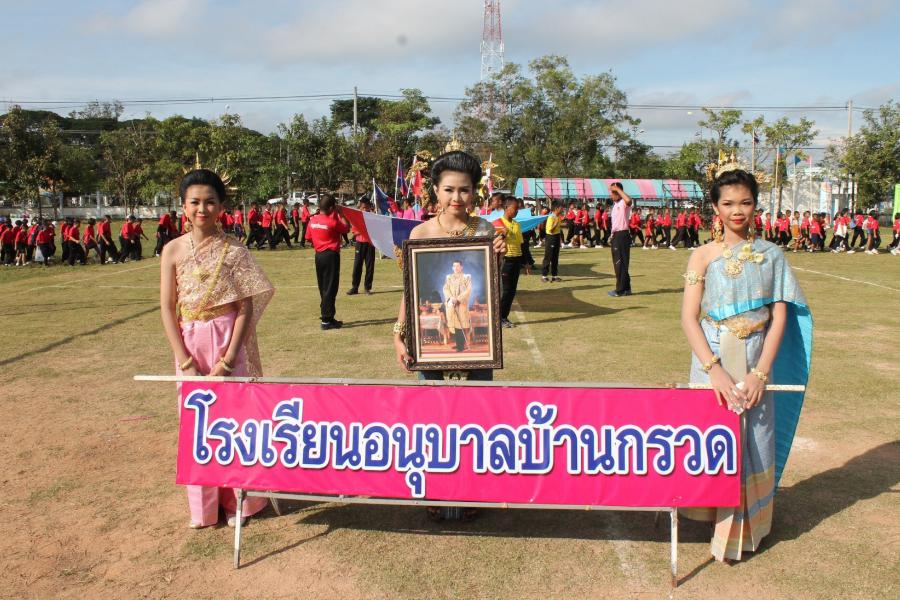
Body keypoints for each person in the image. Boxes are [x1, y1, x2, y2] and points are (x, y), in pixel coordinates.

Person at [680, 168, 812, 562]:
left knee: (755, 434)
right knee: (714, 435)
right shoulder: (702, 255)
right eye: (728, 203)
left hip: (756, 357)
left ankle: (747, 525)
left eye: (745, 202)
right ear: (715, 208)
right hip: (711, 357)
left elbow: (779, 318)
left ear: (756, 205)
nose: (737, 210)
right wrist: (714, 369)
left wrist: (760, 374)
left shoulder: (772, 255)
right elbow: (688, 317)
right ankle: (712, 514)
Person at [392, 150, 506, 383]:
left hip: (479, 355)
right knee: (432, 401)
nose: (457, 197)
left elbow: (493, 288)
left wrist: (498, 258)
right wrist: (398, 336)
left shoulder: (485, 231)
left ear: (474, 191)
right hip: (428, 353)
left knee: (479, 402)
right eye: (448, 190)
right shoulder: (421, 234)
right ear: (436, 190)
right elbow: (410, 291)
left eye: (464, 190)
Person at [306, 194, 351, 330]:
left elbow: (308, 237)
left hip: (319, 255)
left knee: (323, 286)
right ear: (331, 208)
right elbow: (347, 228)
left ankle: (328, 316)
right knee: (331, 287)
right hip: (331, 255)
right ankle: (326, 319)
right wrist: (341, 214)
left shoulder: (312, 220)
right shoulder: (332, 221)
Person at [499, 195, 523, 328]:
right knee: (506, 291)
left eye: (518, 208)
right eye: (515, 208)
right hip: (505, 260)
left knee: (512, 291)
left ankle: (504, 317)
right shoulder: (498, 223)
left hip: (517, 259)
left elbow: (521, 244)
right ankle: (499, 317)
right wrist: (502, 234)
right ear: (506, 207)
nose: (517, 211)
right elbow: (495, 242)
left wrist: (526, 262)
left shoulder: (517, 224)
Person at [608, 181, 633, 297]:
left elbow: (629, 200)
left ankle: (620, 290)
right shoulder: (616, 205)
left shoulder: (623, 202)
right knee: (621, 262)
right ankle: (626, 288)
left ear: (618, 193)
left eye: (613, 193)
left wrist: (617, 189)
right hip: (617, 235)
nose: (611, 195)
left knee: (620, 263)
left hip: (622, 235)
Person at [347, 198, 376, 296]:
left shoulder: (372, 216)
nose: (365, 209)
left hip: (370, 244)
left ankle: (367, 288)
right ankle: (354, 287)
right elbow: (354, 232)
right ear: (360, 207)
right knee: (357, 265)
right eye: (363, 207)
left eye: (367, 207)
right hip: (360, 243)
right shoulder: (356, 216)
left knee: (370, 266)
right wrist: (364, 230)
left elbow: (375, 230)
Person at [541, 201, 564, 282]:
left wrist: (560, 240)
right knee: (548, 257)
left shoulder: (558, 216)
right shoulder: (551, 217)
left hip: (556, 237)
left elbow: (558, 230)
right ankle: (544, 276)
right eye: (561, 208)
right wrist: (555, 223)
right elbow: (550, 230)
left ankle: (554, 276)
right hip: (551, 237)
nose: (562, 209)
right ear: (556, 208)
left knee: (555, 257)